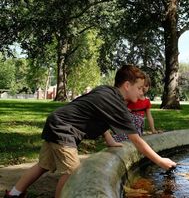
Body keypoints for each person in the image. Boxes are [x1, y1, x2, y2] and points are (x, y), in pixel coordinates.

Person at [3, 65, 176, 198]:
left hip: (56, 121)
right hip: (64, 129)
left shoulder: (106, 91)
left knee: (44, 165)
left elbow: (97, 114)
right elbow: (136, 140)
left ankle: (14, 194)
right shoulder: (116, 104)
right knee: (72, 173)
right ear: (127, 85)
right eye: (139, 88)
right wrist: (160, 161)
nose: (141, 94)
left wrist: (108, 139)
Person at [113, 74, 157, 142]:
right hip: (129, 122)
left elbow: (149, 116)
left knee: (136, 138)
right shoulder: (132, 97)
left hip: (138, 125)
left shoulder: (146, 101)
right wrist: (126, 109)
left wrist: (153, 129)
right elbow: (122, 105)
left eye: (146, 85)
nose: (144, 88)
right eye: (142, 86)